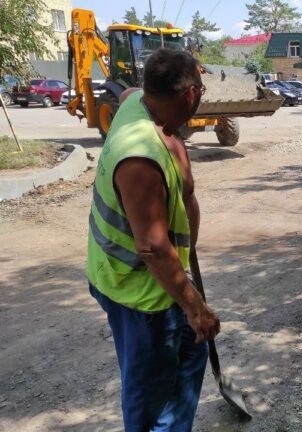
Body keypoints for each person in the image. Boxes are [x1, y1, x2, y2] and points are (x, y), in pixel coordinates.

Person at [86, 48, 220, 432]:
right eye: (202, 87)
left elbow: (127, 93)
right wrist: (196, 307)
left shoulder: (134, 102)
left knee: (189, 357)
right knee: (149, 387)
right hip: (139, 290)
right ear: (189, 94)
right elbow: (153, 248)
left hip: (145, 276)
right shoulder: (140, 161)